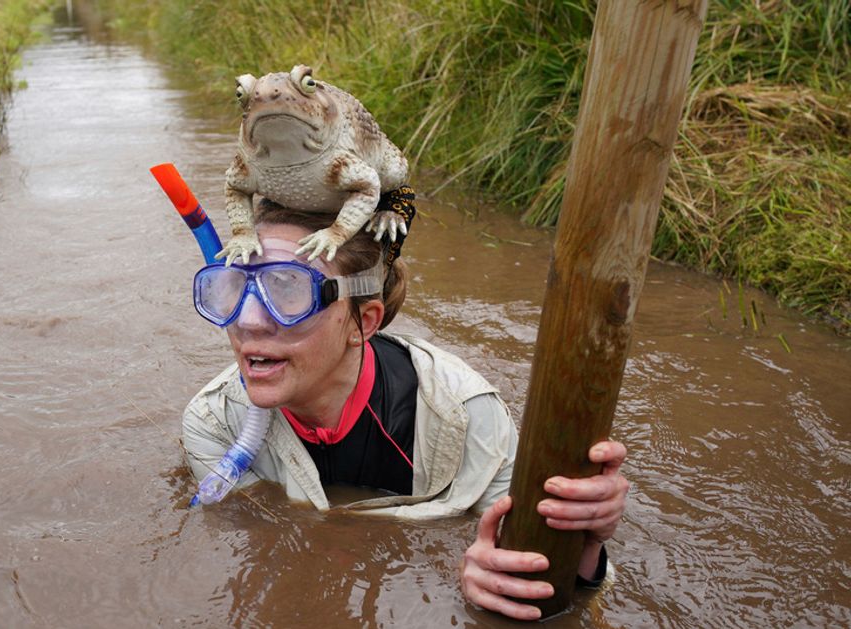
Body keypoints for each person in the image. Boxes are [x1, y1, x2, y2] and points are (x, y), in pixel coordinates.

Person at [181, 200, 629, 621]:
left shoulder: (468, 417)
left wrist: (581, 546)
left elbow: (543, 579)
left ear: (366, 322)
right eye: (236, 286)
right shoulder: (215, 424)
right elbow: (265, 550)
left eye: (289, 290)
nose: (249, 320)